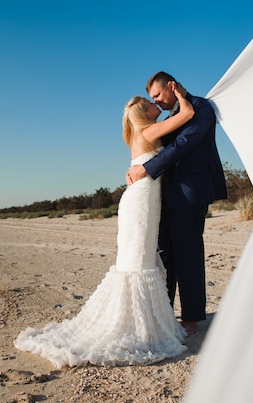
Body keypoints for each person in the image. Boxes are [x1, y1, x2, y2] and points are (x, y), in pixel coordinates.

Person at [14, 87, 194, 368]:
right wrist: (178, 92)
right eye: (150, 101)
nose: (155, 102)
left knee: (139, 258)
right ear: (143, 113)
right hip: (141, 202)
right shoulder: (148, 132)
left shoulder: (144, 133)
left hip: (142, 200)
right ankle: (135, 326)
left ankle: (142, 323)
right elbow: (189, 113)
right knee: (137, 261)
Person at [126, 71, 227, 336]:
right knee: (165, 257)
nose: (156, 102)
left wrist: (146, 168)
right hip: (163, 195)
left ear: (171, 86)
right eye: (152, 99)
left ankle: (192, 318)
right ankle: (165, 314)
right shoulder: (172, 116)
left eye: (158, 95)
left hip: (189, 193)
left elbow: (182, 144)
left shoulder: (201, 108)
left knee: (188, 256)